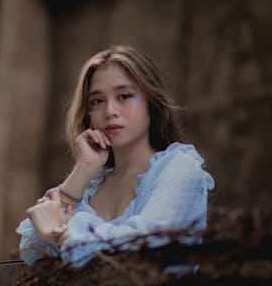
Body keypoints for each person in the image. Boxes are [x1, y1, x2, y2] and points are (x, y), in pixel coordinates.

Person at [16, 45, 215, 268]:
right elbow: (33, 246)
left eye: (124, 96)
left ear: (151, 103)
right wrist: (84, 168)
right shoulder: (92, 184)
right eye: (97, 101)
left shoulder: (179, 170)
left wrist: (60, 232)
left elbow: (137, 252)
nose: (110, 111)